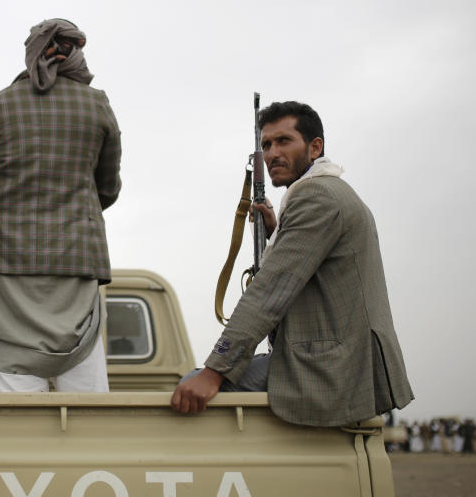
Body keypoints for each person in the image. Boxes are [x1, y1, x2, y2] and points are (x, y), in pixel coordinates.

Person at [171, 100, 413, 427]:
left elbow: (269, 294)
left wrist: (216, 370)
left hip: (333, 366)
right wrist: (276, 231)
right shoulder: (327, 191)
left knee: (192, 385)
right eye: (266, 145)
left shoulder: (316, 197)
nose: (271, 153)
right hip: (345, 358)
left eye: (284, 141)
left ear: (315, 147)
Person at [0, 18, 121, 393]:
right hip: (77, 263)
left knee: (16, 393)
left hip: (6, 266)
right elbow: (108, 189)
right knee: (86, 395)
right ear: (75, 52)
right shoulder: (97, 104)